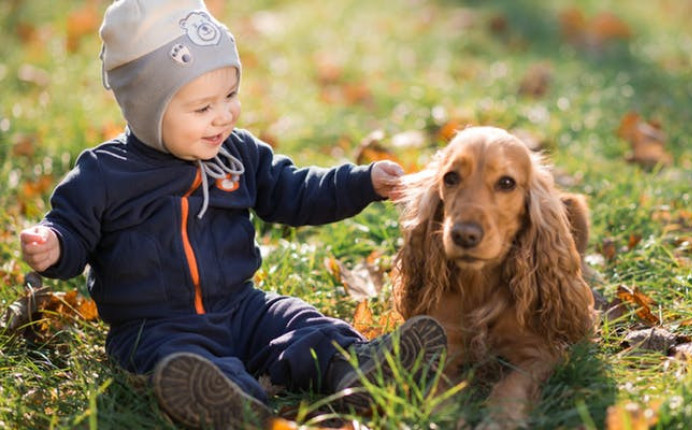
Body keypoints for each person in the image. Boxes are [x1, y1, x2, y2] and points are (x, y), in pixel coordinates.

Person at [18, 1, 446, 428]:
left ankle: (356, 366)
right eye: (202, 108)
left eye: (230, 95)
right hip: (156, 326)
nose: (223, 116)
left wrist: (360, 183)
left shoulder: (236, 153)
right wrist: (54, 245)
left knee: (299, 320)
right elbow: (73, 228)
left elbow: (293, 190)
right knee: (179, 360)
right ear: (147, 110)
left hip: (242, 306)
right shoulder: (105, 172)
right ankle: (226, 399)